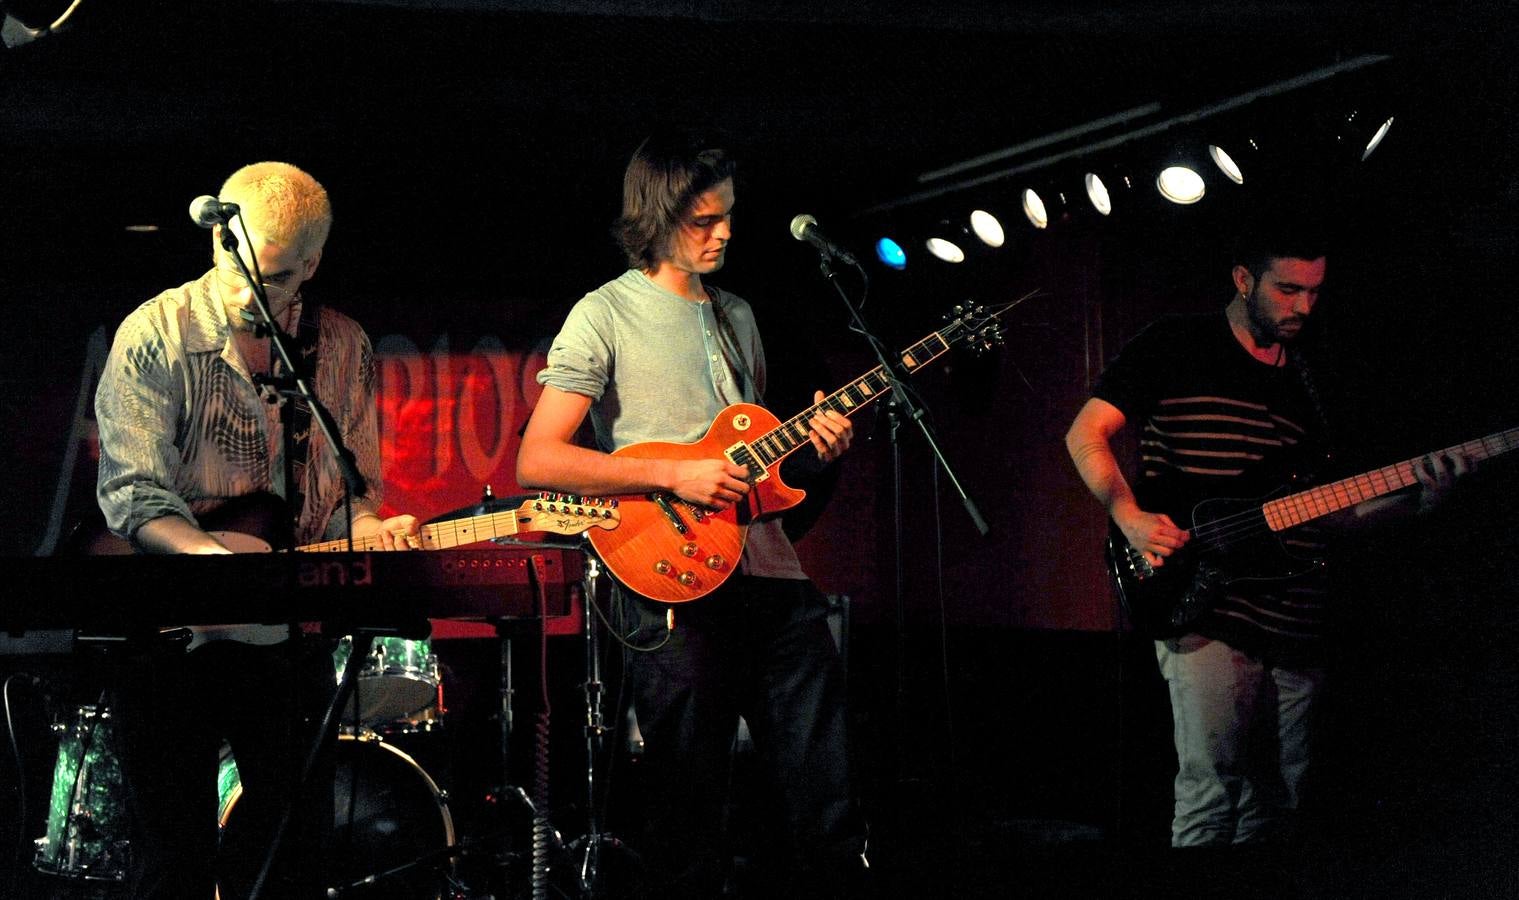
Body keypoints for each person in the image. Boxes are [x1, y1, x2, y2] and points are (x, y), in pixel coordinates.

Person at [516, 134, 867, 897]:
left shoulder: (738, 315)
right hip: (667, 581)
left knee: (825, 789)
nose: (724, 233)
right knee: (687, 803)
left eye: (729, 217)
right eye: (703, 221)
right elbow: (537, 460)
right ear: (656, 218)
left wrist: (813, 449)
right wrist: (672, 471)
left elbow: (752, 466)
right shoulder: (603, 313)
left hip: (770, 572)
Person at [1064, 220, 1469, 853]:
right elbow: (1084, 433)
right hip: (1206, 603)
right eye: (1287, 290)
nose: (1303, 306)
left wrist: (1423, 502)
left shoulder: (1312, 379)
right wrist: (1129, 515)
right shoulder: (1174, 343)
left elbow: (1323, 510)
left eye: (1314, 291)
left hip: (1298, 613)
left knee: (1279, 802)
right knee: (1211, 791)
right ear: (1244, 279)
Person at [94, 161, 420, 898]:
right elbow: (133, 493)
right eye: (229, 263)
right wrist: (211, 559)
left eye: (270, 277)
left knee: (292, 849)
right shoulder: (155, 333)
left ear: (310, 264)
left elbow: (345, 494)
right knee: (174, 860)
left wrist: (369, 526)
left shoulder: (341, 348)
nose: (244, 292)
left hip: (286, 641)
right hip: (171, 635)